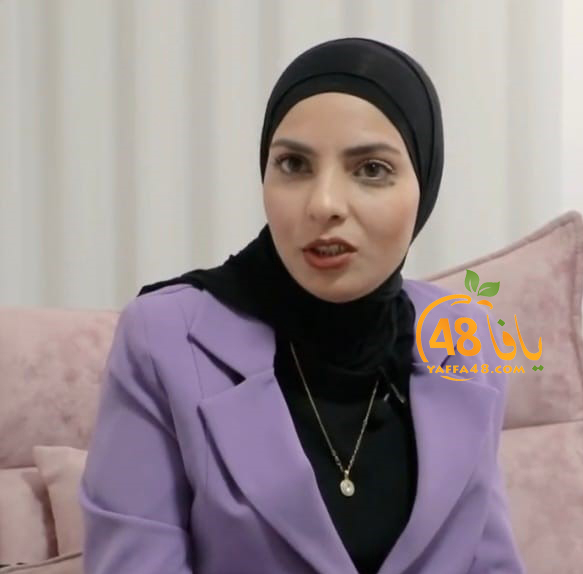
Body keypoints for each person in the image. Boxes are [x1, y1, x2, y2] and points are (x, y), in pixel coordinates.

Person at [79, 37, 525, 574]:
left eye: (371, 169)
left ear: (423, 185)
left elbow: (489, 561)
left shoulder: (466, 339)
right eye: (293, 164)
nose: (324, 204)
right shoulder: (163, 338)